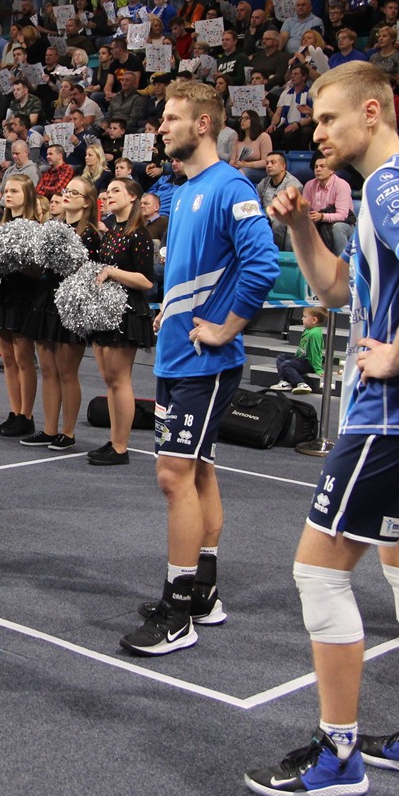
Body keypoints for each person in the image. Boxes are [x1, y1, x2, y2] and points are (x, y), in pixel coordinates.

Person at [245, 61, 399, 796]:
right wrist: (301, 227)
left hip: (395, 412)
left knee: (319, 571)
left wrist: (396, 353)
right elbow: (338, 288)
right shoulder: (394, 188)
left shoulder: (393, 186)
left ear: (373, 112)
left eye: (328, 118)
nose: (317, 132)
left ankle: (338, 756)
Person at [121, 79, 277, 656]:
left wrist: (225, 327)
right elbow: (198, 271)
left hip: (204, 362)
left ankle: (177, 611)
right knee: (200, 472)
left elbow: (262, 265)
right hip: (178, 354)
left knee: (174, 476)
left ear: (204, 123)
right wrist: (173, 307)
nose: (161, 127)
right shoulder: (184, 189)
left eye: (171, 118)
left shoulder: (229, 186)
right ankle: (203, 593)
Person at [85, 176, 156, 465]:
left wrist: (112, 272)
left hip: (127, 312)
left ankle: (121, 447)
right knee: (109, 380)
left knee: (120, 380)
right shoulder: (113, 230)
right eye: (108, 191)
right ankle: (114, 440)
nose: (108, 196)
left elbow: (146, 280)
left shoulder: (139, 234)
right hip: (106, 310)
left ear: (133, 197)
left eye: (116, 191)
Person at [23, 177, 93, 450]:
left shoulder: (90, 234)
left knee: (67, 372)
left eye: (74, 193)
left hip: (71, 303)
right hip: (46, 300)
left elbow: (89, 272)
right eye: (66, 191)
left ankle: (68, 432)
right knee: (48, 371)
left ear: (86, 203)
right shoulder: (51, 227)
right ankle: (49, 429)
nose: (67, 195)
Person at [0, 174, 44, 438]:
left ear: (27, 195)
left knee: (23, 358)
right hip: (1, 292)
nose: (8, 195)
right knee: (7, 358)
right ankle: (14, 411)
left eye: (15, 191)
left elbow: (38, 268)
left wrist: (13, 259)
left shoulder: (35, 227)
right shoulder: (0, 224)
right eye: (6, 191)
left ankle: (26, 415)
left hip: (23, 294)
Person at [271, 305, 328, 394]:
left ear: (314, 320)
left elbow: (315, 352)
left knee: (286, 364)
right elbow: (301, 347)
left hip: (309, 363)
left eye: (305, 317)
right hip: (301, 359)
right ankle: (285, 382)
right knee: (281, 358)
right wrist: (295, 358)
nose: (302, 319)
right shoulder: (308, 330)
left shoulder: (314, 334)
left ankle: (301, 383)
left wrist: (317, 368)